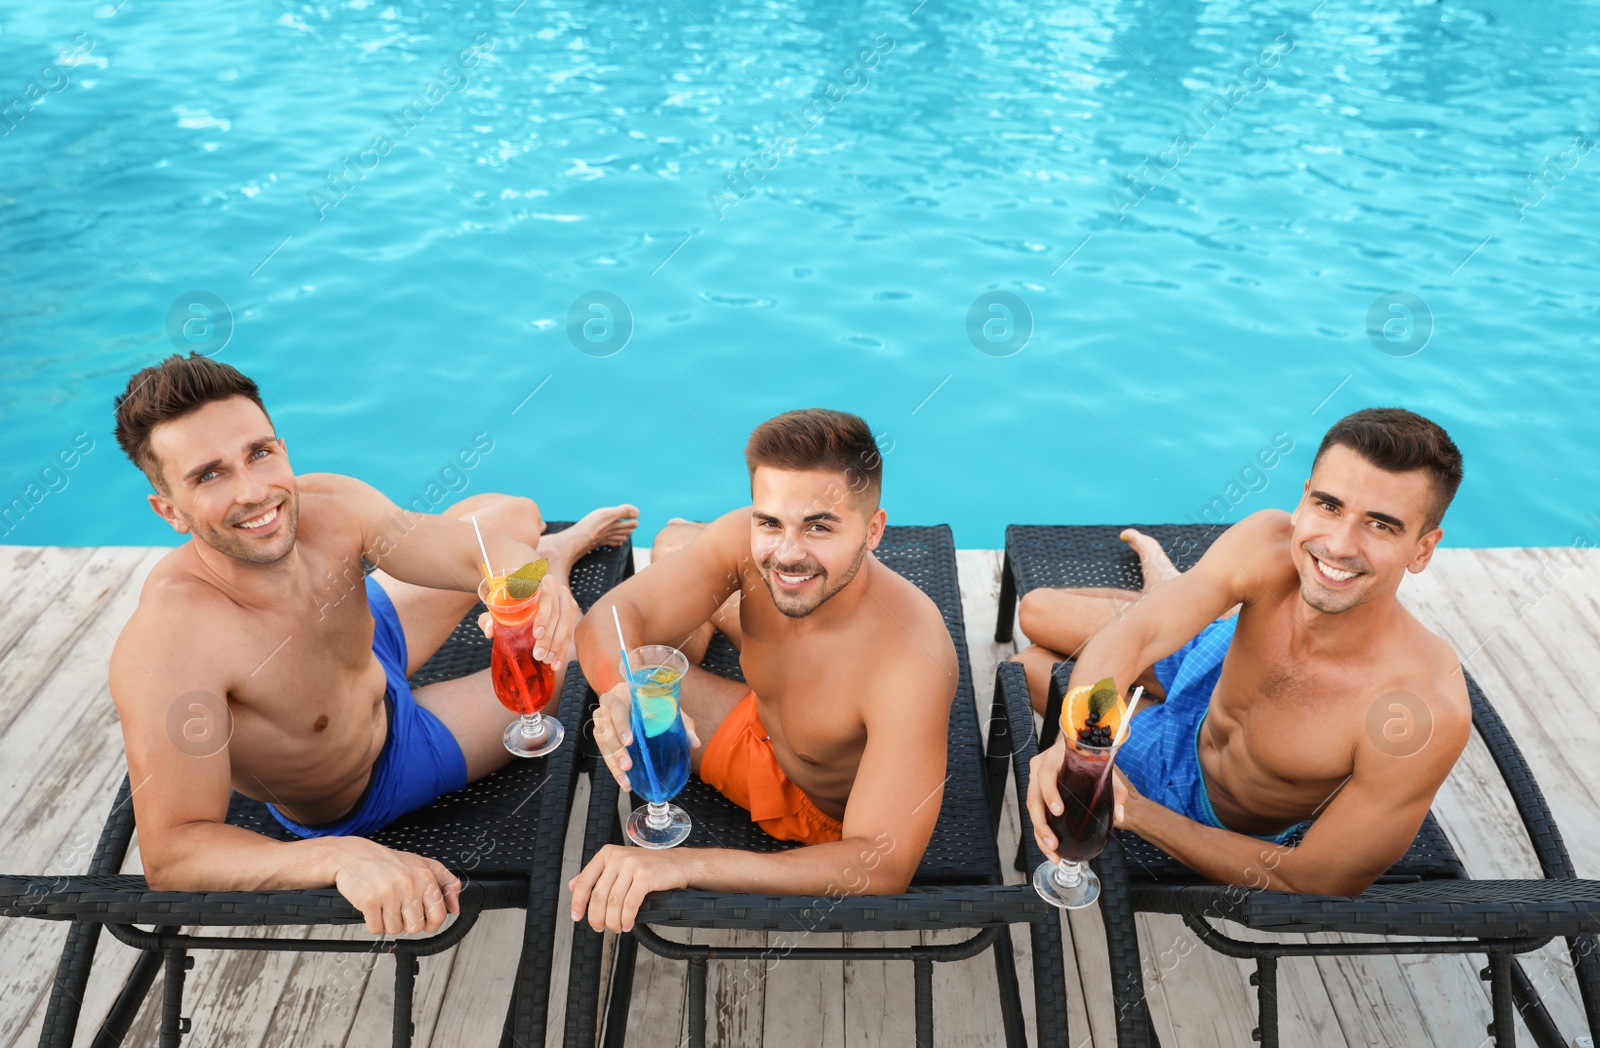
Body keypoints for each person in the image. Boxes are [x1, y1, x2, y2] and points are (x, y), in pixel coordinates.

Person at [107, 353, 638, 934]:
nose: (255, 492)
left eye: (259, 453)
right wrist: (338, 855)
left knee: (514, 515)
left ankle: (552, 562)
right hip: (379, 768)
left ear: (281, 447)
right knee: (555, 666)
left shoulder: (330, 506)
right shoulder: (172, 640)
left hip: (365, 645)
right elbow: (173, 854)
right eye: (209, 475)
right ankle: (553, 563)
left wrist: (531, 590)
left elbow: (474, 553)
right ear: (169, 511)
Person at [1021, 408, 1470, 894]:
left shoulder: (1421, 711)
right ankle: (1182, 595)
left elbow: (1313, 877)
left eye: (1380, 525)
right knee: (1036, 611)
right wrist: (1085, 739)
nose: (1338, 546)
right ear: (1303, 501)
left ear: (1423, 549)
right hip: (1219, 660)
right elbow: (1142, 633)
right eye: (1329, 506)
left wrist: (1130, 811)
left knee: (1029, 667)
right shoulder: (1270, 542)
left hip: (1199, 788)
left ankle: (1182, 596)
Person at [566, 409, 958, 933]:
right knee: (643, 648)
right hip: (761, 723)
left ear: (873, 530)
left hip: (820, 811)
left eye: (819, 526)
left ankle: (684, 571)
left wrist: (684, 865)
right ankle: (683, 558)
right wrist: (622, 692)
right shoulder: (747, 545)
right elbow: (608, 620)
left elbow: (879, 866)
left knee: (673, 605)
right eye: (770, 522)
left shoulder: (911, 658)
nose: (788, 553)